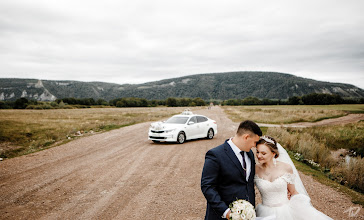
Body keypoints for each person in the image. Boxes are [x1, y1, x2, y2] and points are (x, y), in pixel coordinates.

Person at [254, 135, 333, 219]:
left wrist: (304, 208)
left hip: (285, 212)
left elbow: (293, 191)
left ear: (273, 153)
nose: (259, 156)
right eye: (257, 152)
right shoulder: (255, 169)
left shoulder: (286, 168)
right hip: (264, 213)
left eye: (263, 153)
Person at [201, 120, 262, 220]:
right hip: (221, 216)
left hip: (246, 216)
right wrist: (226, 212)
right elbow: (207, 186)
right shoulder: (215, 154)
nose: (255, 146)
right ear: (246, 137)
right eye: (255, 142)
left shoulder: (249, 154)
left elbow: (248, 183)